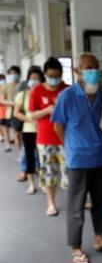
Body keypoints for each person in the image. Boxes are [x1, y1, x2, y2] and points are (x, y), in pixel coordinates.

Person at [52, 53, 102, 263]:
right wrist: (72, 146)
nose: (93, 71)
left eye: (96, 67)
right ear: (77, 72)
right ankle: (76, 247)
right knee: (76, 205)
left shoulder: (99, 94)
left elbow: (95, 122)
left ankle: (99, 238)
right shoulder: (67, 96)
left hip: (100, 155)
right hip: (78, 159)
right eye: (89, 67)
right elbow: (58, 126)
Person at [29, 57, 69, 216]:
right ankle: (51, 204)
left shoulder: (66, 89)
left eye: (57, 75)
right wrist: (47, 110)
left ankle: (75, 202)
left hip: (66, 138)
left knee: (70, 172)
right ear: (45, 74)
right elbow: (32, 115)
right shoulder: (37, 91)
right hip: (45, 139)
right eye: (51, 75)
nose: (54, 79)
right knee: (48, 173)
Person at [13, 66, 44, 194]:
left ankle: (43, 183)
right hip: (28, 130)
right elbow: (16, 113)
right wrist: (31, 121)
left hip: (43, 130)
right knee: (30, 157)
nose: (34, 81)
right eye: (32, 79)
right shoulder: (23, 94)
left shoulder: (44, 93)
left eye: (37, 79)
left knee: (43, 158)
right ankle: (31, 184)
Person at [0, 74, 12, 148]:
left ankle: (10, 139)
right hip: (2, 112)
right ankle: (8, 144)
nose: (1, 81)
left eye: (2, 79)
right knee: (5, 129)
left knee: (14, 129)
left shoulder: (8, 87)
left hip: (10, 111)